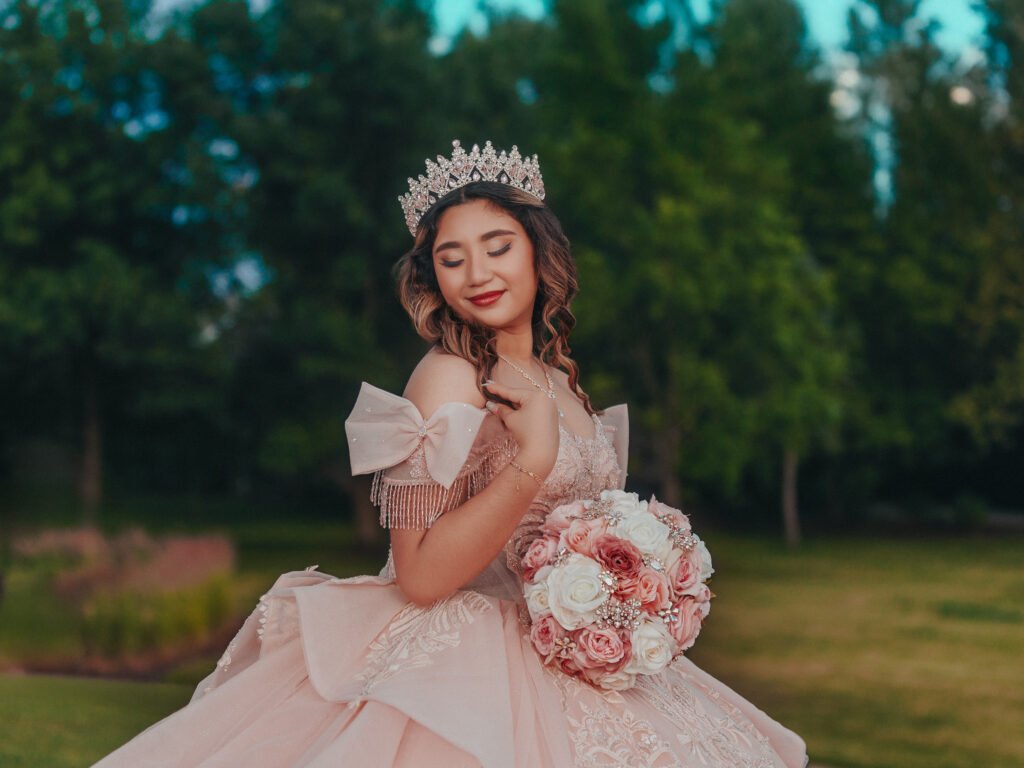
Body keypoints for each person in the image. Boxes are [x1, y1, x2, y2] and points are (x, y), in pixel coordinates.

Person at [94, 139, 808, 767]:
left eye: (497, 246)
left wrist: (629, 592)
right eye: (451, 258)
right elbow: (422, 574)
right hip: (470, 659)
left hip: (575, 661)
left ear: (537, 249)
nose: (477, 272)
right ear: (432, 276)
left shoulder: (561, 382)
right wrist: (528, 463)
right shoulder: (448, 379)